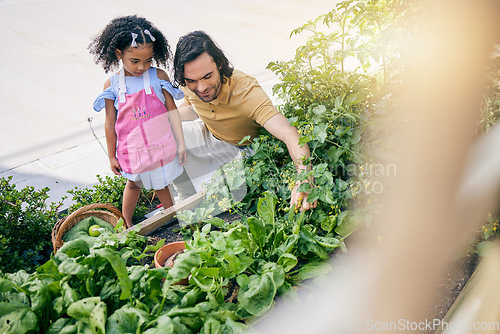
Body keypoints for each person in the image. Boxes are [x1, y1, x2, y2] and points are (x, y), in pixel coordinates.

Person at [173, 30, 316, 211]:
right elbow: (192, 106)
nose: (201, 88)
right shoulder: (190, 83)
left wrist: (304, 175)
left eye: (207, 77)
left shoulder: (247, 91)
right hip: (211, 137)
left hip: (241, 152)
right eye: (192, 80)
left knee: (226, 200)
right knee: (164, 128)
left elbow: (289, 133)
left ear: (219, 63)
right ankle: (186, 197)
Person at [89, 15, 187, 228]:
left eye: (148, 60)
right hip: (132, 150)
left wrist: (181, 144)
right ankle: (127, 223)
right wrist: (111, 155)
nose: (142, 67)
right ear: (118, 54)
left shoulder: (158, 77)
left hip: (159, 145)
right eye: (135, 61)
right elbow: (109, 123)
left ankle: (171, 219)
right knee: (133, 184)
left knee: (162, 184)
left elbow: (172, 111)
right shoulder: (113, 84)